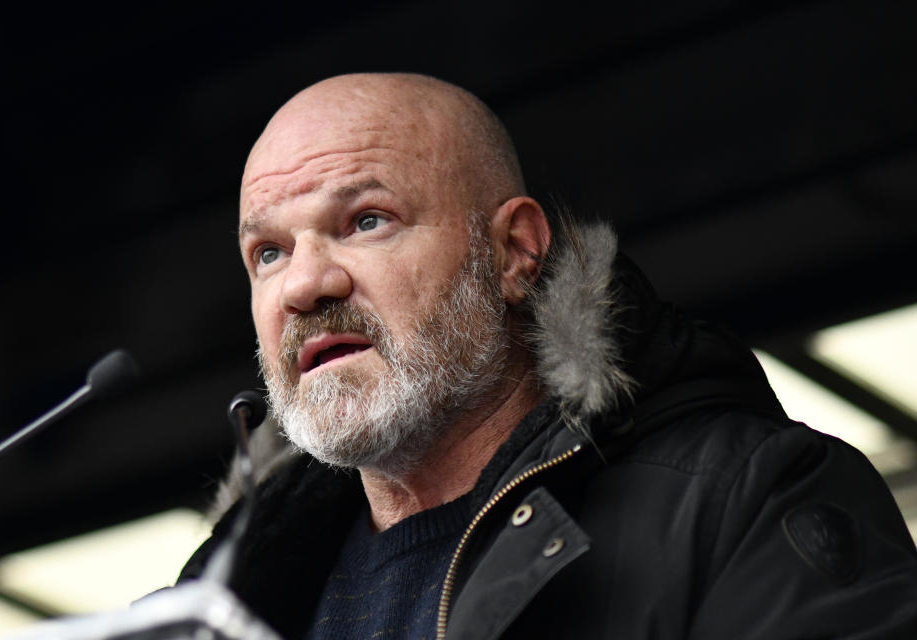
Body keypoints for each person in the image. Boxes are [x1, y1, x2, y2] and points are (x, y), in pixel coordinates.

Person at [179, 73, 917, 639]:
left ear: (514, 251)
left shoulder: (745, 499)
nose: (305, 284)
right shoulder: (216, 598)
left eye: (367, 221)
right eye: (268, 253)